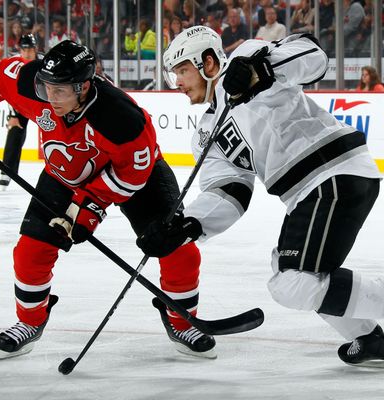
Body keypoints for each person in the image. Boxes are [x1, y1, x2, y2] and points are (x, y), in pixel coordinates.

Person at [137, 26, 384, 366]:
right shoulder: (206, 134)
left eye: (182, 71)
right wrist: (188, 225)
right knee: (288, 272)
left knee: (294, 282)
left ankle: (369, 335)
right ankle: (368, 338)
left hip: (333, 173)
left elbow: (313, 56)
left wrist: (261, 69)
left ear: (208, 62)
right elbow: (229, 192)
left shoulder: (245, 58)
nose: (176, 81)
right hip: (309, 191)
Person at [0, 40, 215, 360]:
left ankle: (181, 319)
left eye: (61, 91)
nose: (51, 97)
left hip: (138, 177)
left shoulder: (121, 118)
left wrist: (86, 209)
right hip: (63, 174)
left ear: (83, 87)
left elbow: (132, 175)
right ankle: (30, 321)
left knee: (178, 247)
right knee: (30, 251)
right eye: (47, 88)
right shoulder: (31, 83)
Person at [0, 34, 41, 189]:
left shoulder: (43, 62)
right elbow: (9, 92)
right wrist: (13, 115)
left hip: (42, 103)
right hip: (22, 104)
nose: (28, 52)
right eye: (25, 49)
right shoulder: (14, 64)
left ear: (35, 48)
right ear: (19, 49)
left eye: (30, 48)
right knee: (16, 129)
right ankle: (7, 171)